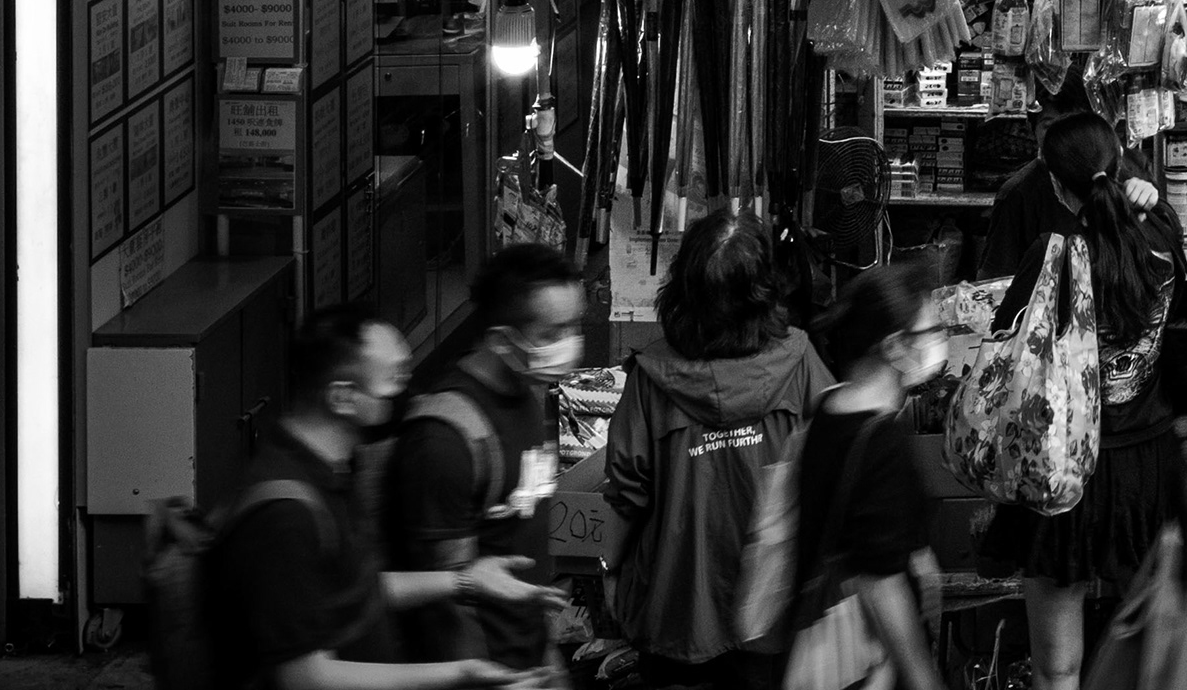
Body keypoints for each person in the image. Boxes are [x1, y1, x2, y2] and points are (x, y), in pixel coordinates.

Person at [984, 109, 1187, 690]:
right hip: (1148, 470)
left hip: (1065, 475)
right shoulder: (1160, 239)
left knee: (1057, 670)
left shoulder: (1050, 256)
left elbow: (1010, 351)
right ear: (1119, 164)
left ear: (1057, 187)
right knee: (1150, 646)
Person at [205, 303, 538, 689]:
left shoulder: (334, 469)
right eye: (394, 381)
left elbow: (350, 591)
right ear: (343, 398)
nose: (410, 397)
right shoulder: (285, 513)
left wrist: (465, 581)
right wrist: (459, 673)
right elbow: (305, 677)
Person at [609, 211, 834, 685]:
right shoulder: (800, 361)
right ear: (765, 290)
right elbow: (832, 465)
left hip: (677, 609)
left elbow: (627, 497)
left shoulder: (651, 377)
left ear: (683, 289)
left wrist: (609, 571)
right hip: (774, 606)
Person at [388, 244, 583, 672]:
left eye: (575, 326)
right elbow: (448, 597)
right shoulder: (445, 440)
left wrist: (545, 654)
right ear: (500, 341)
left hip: (527, 655)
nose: (570, 345)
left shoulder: (528, 389)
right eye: (553, 333)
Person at [786, 259, 955, 690]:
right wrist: (922, 678)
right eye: (930, 332)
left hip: (813, 638)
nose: (939, 342)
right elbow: (882, 585)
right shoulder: (883, 441)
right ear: (895, 347)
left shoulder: (827, 407)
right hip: (864, 663)